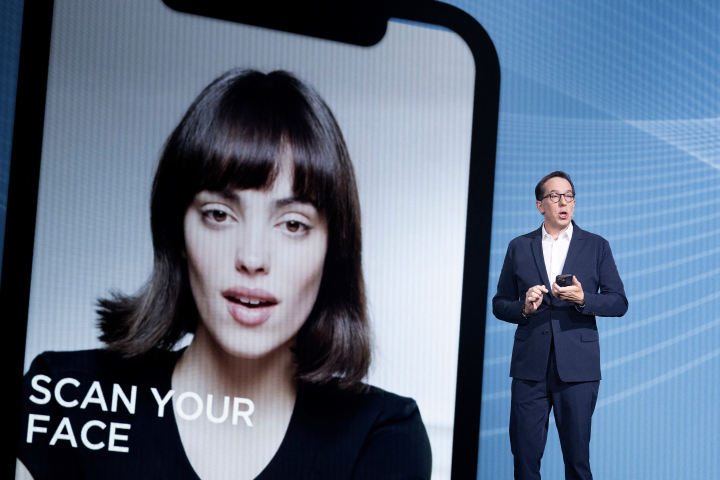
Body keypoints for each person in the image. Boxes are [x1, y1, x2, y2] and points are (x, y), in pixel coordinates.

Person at [16, 69, 432, 480]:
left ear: (332, 249)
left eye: (292, 224)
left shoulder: (382, 435)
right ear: (177, 230)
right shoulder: (63, 398)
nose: (251, 257)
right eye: (219, 214)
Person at [492, 171, 627, 480]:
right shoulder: (519, 247)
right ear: (540, 205)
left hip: (578, 369)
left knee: (577, 463)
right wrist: (524, 308)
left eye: (568, 196)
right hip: (529, 369)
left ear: (575, 203)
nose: (563, 202)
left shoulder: (596, 246)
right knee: (524, 462)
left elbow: (619, 302)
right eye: (554, 196)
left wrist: (583, 299)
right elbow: (499, 304)